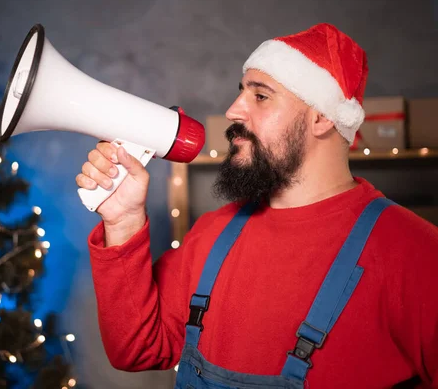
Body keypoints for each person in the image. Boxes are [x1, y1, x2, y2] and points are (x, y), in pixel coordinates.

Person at [76, 23, 438, 389]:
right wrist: (122, 222)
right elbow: (136, 349)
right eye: (240, 93)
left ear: (322, 117)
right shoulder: (211, 234)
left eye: (260, 96)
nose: (234, 110)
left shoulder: (417, 254)